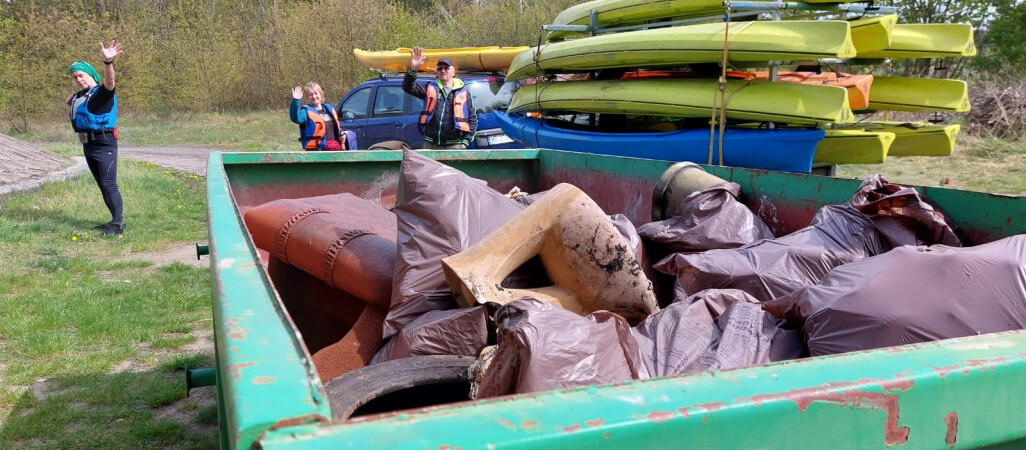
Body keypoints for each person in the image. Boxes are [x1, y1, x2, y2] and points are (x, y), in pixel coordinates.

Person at [66, 40, 124, 235]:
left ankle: (117, 225)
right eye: (75, 77)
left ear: (90, 74)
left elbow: (110, 83)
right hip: (88, 144)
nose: (79, 79)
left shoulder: (101, 93)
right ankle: (113, 221)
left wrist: (108, 63)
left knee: (109, 184)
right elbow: (77, 103)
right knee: (102, 185)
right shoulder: (81, 95)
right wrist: (72, 98)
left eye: (81, 75)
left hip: (104, 143)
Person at [402, 47, 478, 149]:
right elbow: (407, 87)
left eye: (446, 68)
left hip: (454, 146)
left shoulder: (464, 93)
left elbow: (472, 119)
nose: (443, 70)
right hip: (430, 145)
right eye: (439, 68)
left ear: (453, 72)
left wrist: (465, 142)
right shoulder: (429, 88)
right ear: (436, 72)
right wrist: (413, 68)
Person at [289, 82, 347, 151]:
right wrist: (296, 101)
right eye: (311, 95)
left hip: (335, 149)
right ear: (308, 97)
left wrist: (342, 134)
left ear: (321, 94)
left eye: (316, 93)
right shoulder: (306, 111)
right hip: (317, 151)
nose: (314, 96)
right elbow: (296, 118)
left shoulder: (329, 109)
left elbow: (336, 128)